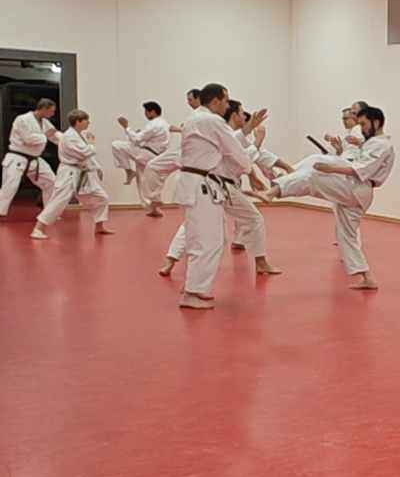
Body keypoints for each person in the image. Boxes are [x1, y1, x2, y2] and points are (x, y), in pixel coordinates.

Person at [259, 104, 395, 290]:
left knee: (314, 173)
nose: (361, 128)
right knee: (347, 236)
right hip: (355, 190)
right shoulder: (371, 142)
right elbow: (358, 160)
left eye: (363, 123)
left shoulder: (382, 145)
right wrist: (343, 150)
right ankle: (368, 278)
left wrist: (333, 168)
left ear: (376, 122)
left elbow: (361, 169)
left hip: (358, 188)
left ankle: (275, 190)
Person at [164, 85, 261, 309]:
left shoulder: (194, 120)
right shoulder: (212, 121)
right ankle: (191, 292)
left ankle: (197, 288)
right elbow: (235, 150)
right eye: (226, 101)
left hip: (200, 184)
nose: (229, 106)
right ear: (215, 101)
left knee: (210, 239)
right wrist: (249, 169)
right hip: (201, 186)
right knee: (206, 241)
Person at [161, 100, 279, 279]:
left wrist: (249, 131)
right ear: (233, 115)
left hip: (216, 186)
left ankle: (170, 260)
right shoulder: (221, 131)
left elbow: (236, 141)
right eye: (241, 113)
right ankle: (260, 262)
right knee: (253, 219)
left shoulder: (217, 132)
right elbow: (243, 156)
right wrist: (258, 141)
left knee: (189, 225)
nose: (243, 116)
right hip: (221, 187)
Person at [32, 110, 113, 239]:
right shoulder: (69, 136)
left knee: (101, 197)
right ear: (78, 122)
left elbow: (85, 157)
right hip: (68, 172)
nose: (89, 122)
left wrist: (96, 167)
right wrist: (91, 144)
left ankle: (99, 226)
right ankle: (38, 229)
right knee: (59, 200)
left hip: (80, 172)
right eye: (86, 120)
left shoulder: (77, 135)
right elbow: (84, 152)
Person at [0, 98, 58, 224]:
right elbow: (28, 139)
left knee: (51, 181)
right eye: (51, 111)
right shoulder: (22, 119)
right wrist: (45, 136)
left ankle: (48, 213)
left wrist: (70, 142)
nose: (53, 114)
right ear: (43, 109)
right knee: (10, 186)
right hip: (16, 157)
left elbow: (55, 136)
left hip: (34, 159)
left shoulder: (45, 123)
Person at [111, 102, 169, 186]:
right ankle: (149, 199)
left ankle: (128, 171)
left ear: (152, 112)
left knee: (116, 145)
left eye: (146, 112)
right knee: (143, 181)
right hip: (155, 155)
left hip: (147, 154)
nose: (145, 114)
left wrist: (126, 127)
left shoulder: (154, 124)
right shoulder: (164, 123)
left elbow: (137, 139)